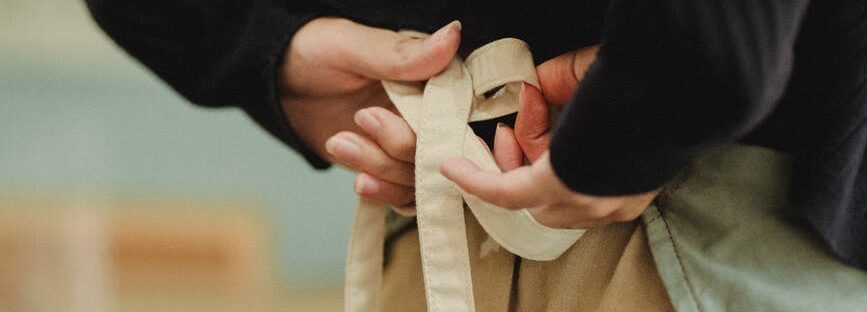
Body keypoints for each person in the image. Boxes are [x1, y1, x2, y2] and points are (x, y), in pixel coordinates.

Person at [86, 0, 867, 310]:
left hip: (707, 226)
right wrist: (271, 49)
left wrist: (653, 100)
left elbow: (716, 51)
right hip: (430, 220)